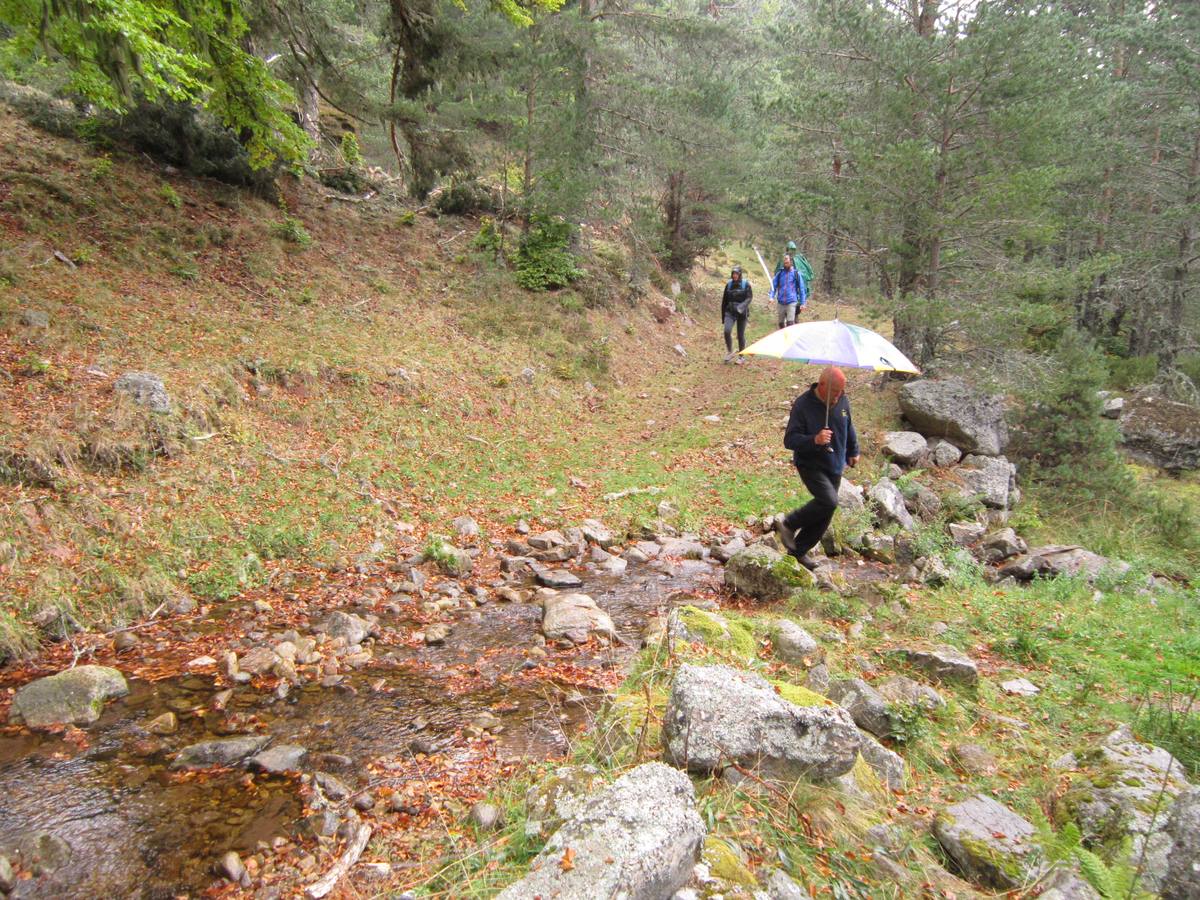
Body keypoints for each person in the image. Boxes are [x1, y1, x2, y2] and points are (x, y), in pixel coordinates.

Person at [776, 366, 860, 570]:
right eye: (835, 391)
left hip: (835, 463)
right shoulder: (803, 405)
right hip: (810, 464)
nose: (839, 396)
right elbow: (790, 440)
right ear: (822, 385)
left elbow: (848, 426)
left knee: (826, 512)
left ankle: (797, 552)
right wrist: (815, 439)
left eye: (841, 391)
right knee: (829, 501)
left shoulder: (842, 400)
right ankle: (788, 523)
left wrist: (853, 450)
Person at [720, 265, 753, 363]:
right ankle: (730, 351)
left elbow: (749, 297)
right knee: (727, 331)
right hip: (729, 312)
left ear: (740, 274)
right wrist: (723, 317)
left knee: (740, 335)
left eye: (736, 274)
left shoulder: (745, 284)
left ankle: (741, 356)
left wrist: (741, 307)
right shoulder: (729, 285)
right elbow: (724, 301)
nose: (734, 275)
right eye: (733, 274)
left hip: (742, 313)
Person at [771, 254, 807, 329]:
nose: (785, 263)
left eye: (787, 262)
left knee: (790, 324)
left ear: (791, 262)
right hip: (781, 302)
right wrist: (771, 296)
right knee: (781, 324)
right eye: (784, 262)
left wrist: (803, 303)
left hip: (791, 302)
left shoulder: (796, 273)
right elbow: (773, 286)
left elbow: (801, 288)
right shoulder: (780, 273)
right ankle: (784, 339)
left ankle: (789, 340)